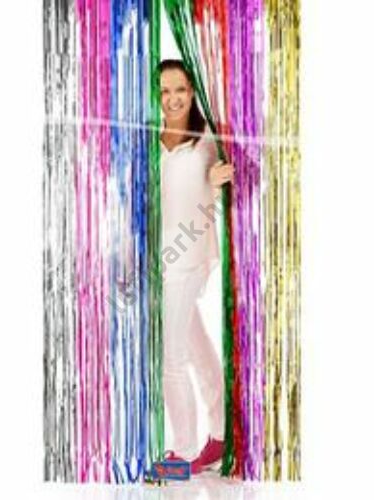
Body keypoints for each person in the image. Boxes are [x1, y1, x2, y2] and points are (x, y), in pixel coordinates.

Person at [157, 59, 234, 474]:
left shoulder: (205, 142)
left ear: (192, 92)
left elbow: (217, 193)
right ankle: (220, 435)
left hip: (190, 256)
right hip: (160, 258)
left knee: (172, 354)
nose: (173, 99)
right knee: (196, 344)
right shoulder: (151, 140)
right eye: (165, 91)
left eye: (180, 89)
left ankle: (184, 452)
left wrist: (219, 181)